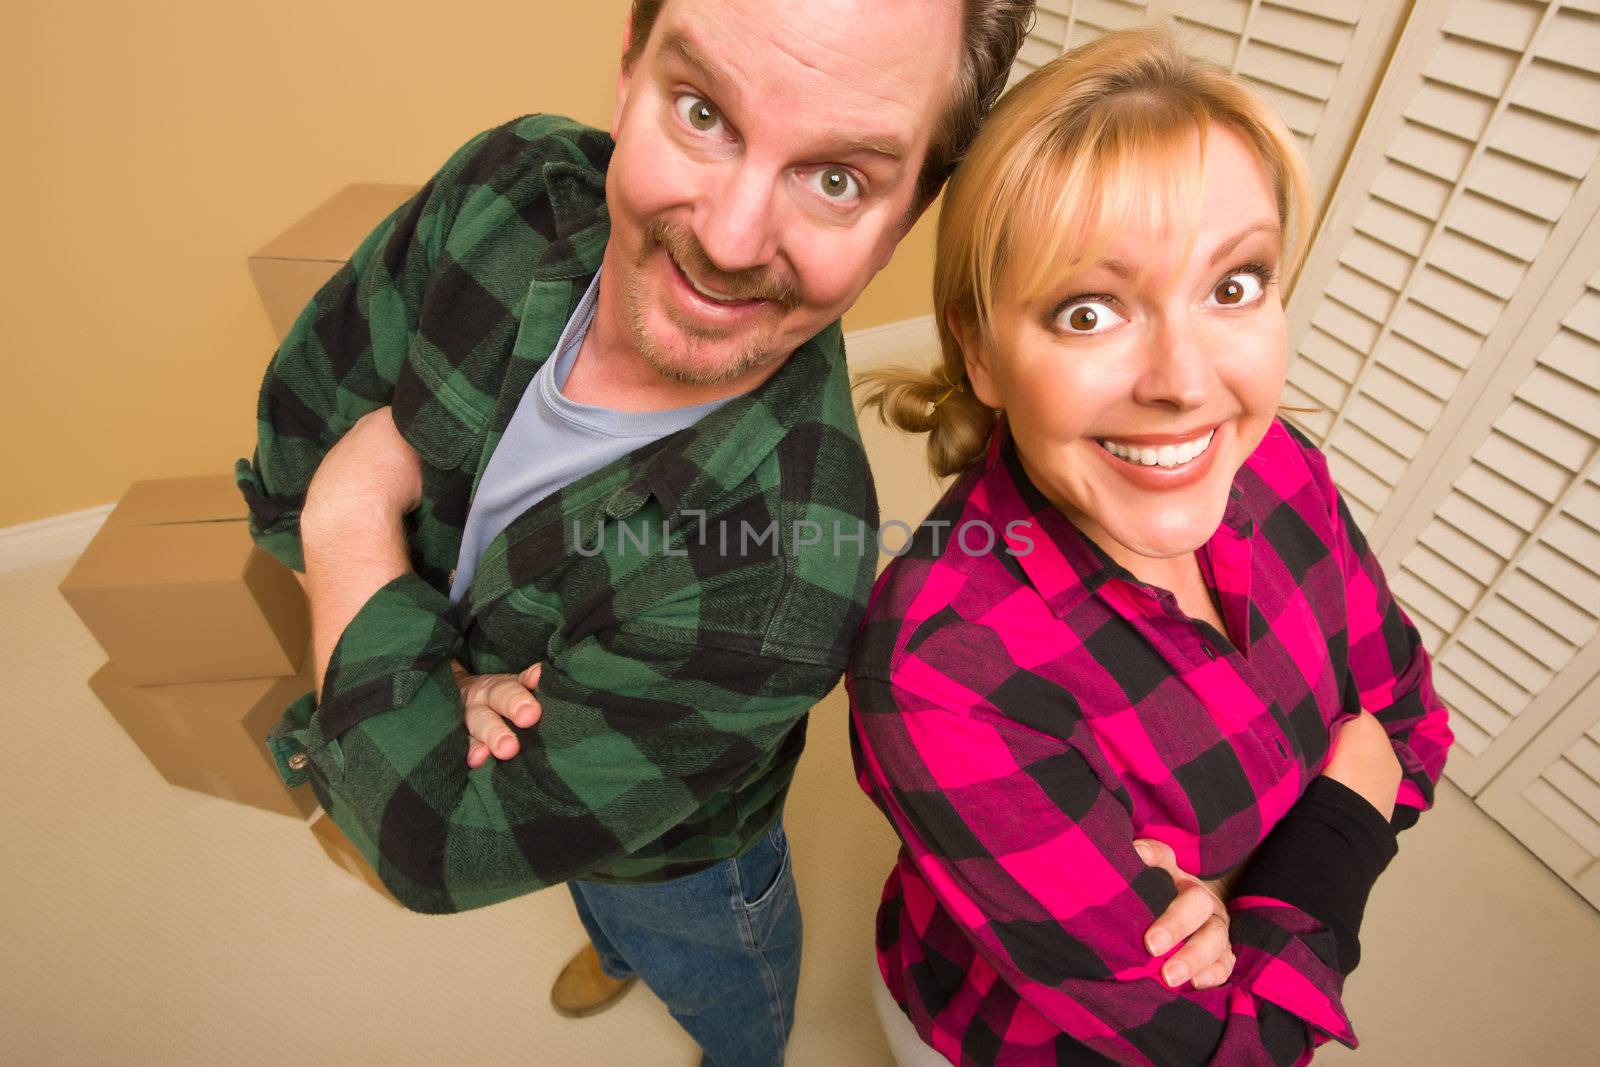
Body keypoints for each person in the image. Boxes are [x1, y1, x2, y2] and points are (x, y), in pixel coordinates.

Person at [234, 0, 1036, 1062]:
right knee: (580, 880)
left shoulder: (793, 570)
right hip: (551, 779)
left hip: (682, 858)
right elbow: (286, 456)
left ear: (907, 216)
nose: (726, 238)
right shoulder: (506, 189)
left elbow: (426, 839)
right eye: (703, 111)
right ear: (628, 71)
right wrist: (431, 677)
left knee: (713, 968)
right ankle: (612, 947)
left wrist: (352, 518)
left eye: (838, 177)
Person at [846, 25, 1455, 1066]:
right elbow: (1234, 1046)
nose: (1183, 382)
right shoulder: (939, 672)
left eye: (1232, 285)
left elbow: (1410, 721)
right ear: (981, 351)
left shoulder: (1274, 465)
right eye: (1090, 309)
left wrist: (1248, 897)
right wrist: (1337, 819)